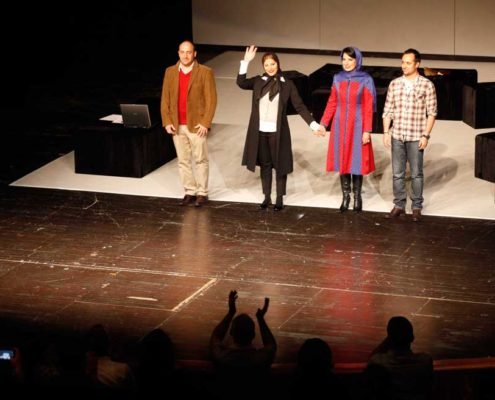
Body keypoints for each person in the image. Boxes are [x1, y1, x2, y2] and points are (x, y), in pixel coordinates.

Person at [237, 45, 320, 211]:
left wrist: (313, 124)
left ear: (278, 64)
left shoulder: (287, 84)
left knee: (279, 164)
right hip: (260, 131)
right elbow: (241, 83)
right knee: (265, 164)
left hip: (278, 132)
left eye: (272, 64)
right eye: (266, 65)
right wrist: (245, 62)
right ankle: (267, 196)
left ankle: (280, 197)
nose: (270, 67)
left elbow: (300, 106)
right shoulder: (258, 81)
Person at [317, 46, 377, 213]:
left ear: (357, 60)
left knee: (356, 160)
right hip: (340, 124)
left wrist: (367, 130)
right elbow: (332, 102)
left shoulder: (365, 79)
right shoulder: (337, 78)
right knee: (343, 159)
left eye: (350, 59)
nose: (346, 63)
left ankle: (357, 197)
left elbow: (368, 107)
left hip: (358, 124)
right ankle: (346, 196)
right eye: (344, 59)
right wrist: (323, 123)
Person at [161, 40, 218, 207]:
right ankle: (189, 191)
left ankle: (202, 193)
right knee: (183, 160)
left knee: (200, 159)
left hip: (196, 125)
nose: (185, 55)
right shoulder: (170, 71)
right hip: (177, 124)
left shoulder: (205, 72)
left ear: (195, 54)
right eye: (182, 52)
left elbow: (211, 100)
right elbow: (165, 99)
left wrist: (205, 122)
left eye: (189, 52)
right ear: (178, 53)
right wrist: (167, 121)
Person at [382, 48, 437, 221]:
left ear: (417, 64)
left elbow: (432, 113)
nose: (404, 66)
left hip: (415, 136)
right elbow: (388, 110)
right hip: (397, 135)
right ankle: (399, 205)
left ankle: (416, 207)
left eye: (408, 63)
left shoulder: (427, 85)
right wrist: (386, 131)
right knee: (397, 173)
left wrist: (425, 135)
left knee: (416, 174)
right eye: (402, 62)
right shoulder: (395, 84)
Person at [209, 289, 277, 399]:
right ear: (253, 335)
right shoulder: (261, 359)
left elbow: (215, 337)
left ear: (231, 332)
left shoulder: (220, 357)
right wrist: (261, 319)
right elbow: (271, 345)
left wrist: (231, 312)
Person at [364, 316, 434, 400]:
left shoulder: (378, 362)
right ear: (412, 337)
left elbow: (371, 360)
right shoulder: (425, 362)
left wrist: (389, 339)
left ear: (389, 339)